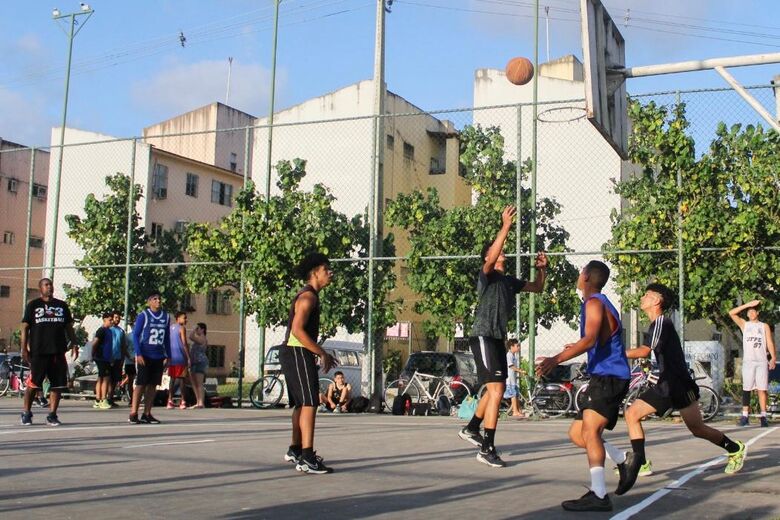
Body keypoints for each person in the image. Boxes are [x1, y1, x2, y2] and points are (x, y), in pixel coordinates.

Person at [614, 283, 746, 496]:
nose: (643, 297)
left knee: (697, 429)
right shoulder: (655, 325)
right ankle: (641, 462)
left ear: (657, 301)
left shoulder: (661, 323)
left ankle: (735, 448)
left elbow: (644, 351)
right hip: (664, 385)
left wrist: (612, 353)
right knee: (632, 414)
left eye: (647, 295)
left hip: (680, 385)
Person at [458, 205, 547, 468]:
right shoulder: (486, 276)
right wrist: (505, 226)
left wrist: (543, 269)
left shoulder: (508, 281)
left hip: (498, 339)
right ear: (489, 255)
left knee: (494, 389)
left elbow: (538, 288)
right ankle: (487, 447)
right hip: (483, 336)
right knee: (497, 390)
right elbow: (490, 259)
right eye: (498, 251)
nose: (502, 254)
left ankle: (472, 428)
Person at [536, 261, 630, 512]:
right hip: (604, 375)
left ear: (587, 276)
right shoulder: (597, 303)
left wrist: (555, 359)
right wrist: (574, 347)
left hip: (609, 377)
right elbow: (595, 340)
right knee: (578, 434)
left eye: (580, 272)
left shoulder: (594, 302)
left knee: (589, 433)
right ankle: (623, 459)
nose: (578, 276)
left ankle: (599, 495)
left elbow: (589, 340)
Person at [280, 252, 337, 474]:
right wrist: (322, 353)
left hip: (293, 352)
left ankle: (295, 449)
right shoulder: (308, 297)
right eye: (326, 269)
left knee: (301, 403)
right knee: (310, 402)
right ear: (315, 273)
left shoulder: (310, 295)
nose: (330, 273)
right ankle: (307, 457)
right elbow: (297, 330)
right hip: (297, 352)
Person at [19, 278, 79, 426]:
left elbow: (69, 327)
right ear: (40, 288)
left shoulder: (62, 305)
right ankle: (26, 412)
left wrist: (74, 343)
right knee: (34, 384)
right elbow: (25, 328)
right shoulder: (33, 305)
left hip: (57, 351)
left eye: (51, 284)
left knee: (57, 385)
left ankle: (52, 414)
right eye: (46, 285)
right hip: (39, 351)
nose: (49, 287)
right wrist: (24, 349)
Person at [729, 300, 776, 427]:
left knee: (762, 389)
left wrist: (772, 358)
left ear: (757, 313)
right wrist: (748, 304)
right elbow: (731, 313)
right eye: (749, 311)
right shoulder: (745, 325)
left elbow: (770, 343)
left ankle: (763, 416)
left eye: (753, 310)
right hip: (749, 362)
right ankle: (745, 416)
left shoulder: (763, 326)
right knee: (747, 389)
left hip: (761, 361)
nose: (751, 312)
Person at [130, 291, 170, 424]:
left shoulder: (166, 316)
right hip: (145, 354)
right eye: (155, 299)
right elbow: (135, 335)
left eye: (159, 299)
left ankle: (147, 413)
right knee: (141, 384)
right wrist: (138, 353)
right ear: (149, 302)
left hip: (158, 355)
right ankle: (133, 412)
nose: (158, 301)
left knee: (153, 385)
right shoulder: (144, 315)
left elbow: (167, 338)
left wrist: (168, 355)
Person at [91, 312, 117, 410]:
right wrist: (93, 354)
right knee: (106, 378)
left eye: (112, 320)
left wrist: (111, 357)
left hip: (106, 358)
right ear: (104, 320)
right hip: (101, 358)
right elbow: (94, 343)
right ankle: (103, 399)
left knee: (101, 378)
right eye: (110, 320)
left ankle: (98, 400)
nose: (112, 322)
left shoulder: (109, 331)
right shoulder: (101, 330)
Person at [166, 311, 192, 410]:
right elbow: (184, 343)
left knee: (172, 379)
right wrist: (188, 357)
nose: (186, 320)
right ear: (178, 318)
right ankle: (183, 401)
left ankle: (169, 400)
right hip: (181, 357)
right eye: (184, 318)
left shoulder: (170, 328)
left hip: (172, 357)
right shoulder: (182, 328)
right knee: (181, 379)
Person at [109, 310, 130, 407]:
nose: (117, 319)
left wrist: (122, 358)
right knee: (107, 378)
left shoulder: (121, 331)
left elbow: (122, 345)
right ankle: (103, 398)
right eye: (115, 317)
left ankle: (110, 398)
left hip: (118, 358)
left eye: (118, 318)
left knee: (115, 379)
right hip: (109, 358)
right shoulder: (108, 329)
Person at [188, 322, 209, 409]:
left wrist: (193, 329)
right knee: (194, 383)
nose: (196, 330)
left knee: (199, 383)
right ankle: (197, 401)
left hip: (200, 362)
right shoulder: (197, 338)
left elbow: (190, 336)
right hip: (194, 362)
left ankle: (201, 402)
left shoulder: (203, 338)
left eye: (198, 329)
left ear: (202, 330)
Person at [504, 339, 525, 419]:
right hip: (509, 379)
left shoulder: (513, 356)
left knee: (516, 394)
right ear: (511, 347)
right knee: (513, 395)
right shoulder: (509, 355)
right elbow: (511, 366)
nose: (519, 347)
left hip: (513, 379)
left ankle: (518, 410)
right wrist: (520, 371)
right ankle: (515, 411)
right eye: (517, 346)